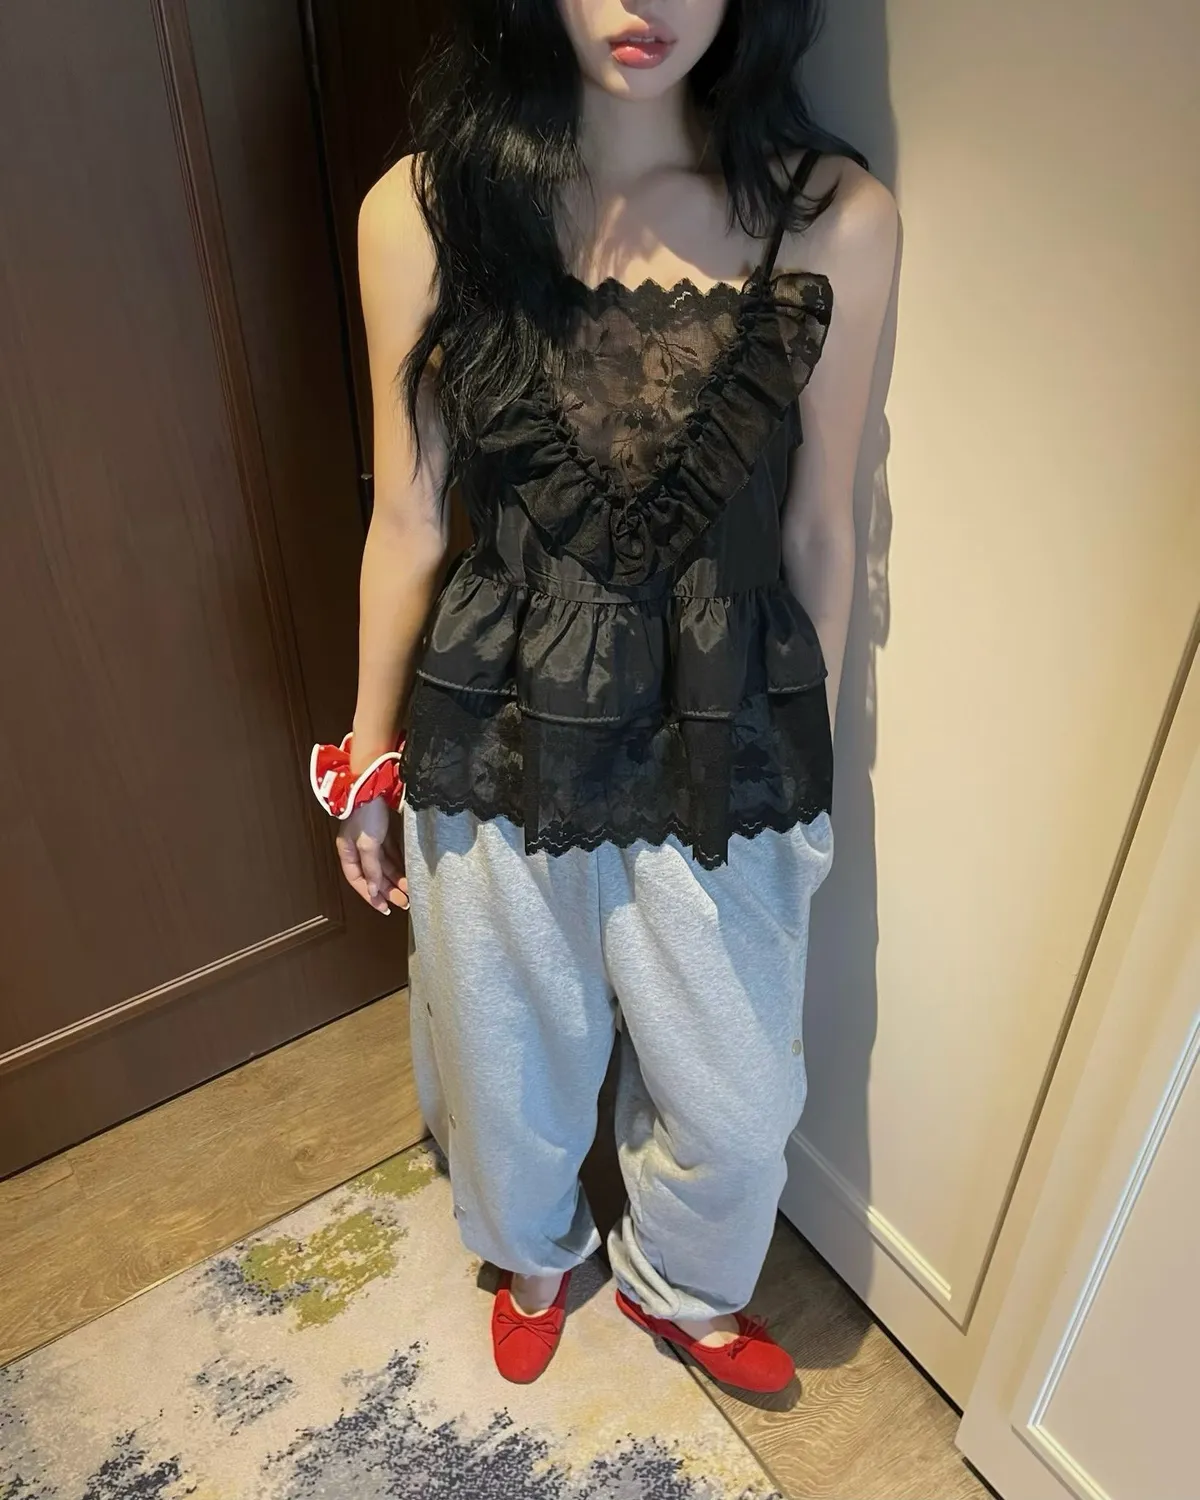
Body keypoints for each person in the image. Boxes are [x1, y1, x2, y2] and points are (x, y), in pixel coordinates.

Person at [314, 0, 897, 1391]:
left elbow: (825, 526)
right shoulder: (423, 212)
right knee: (504, 1047)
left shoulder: (832, 220)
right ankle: (532, 1252)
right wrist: (367, 759)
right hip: (497, 712)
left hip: (726, 720)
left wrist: (807, 760)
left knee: (740, 1095)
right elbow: (407, 520)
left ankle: (679, 1281)